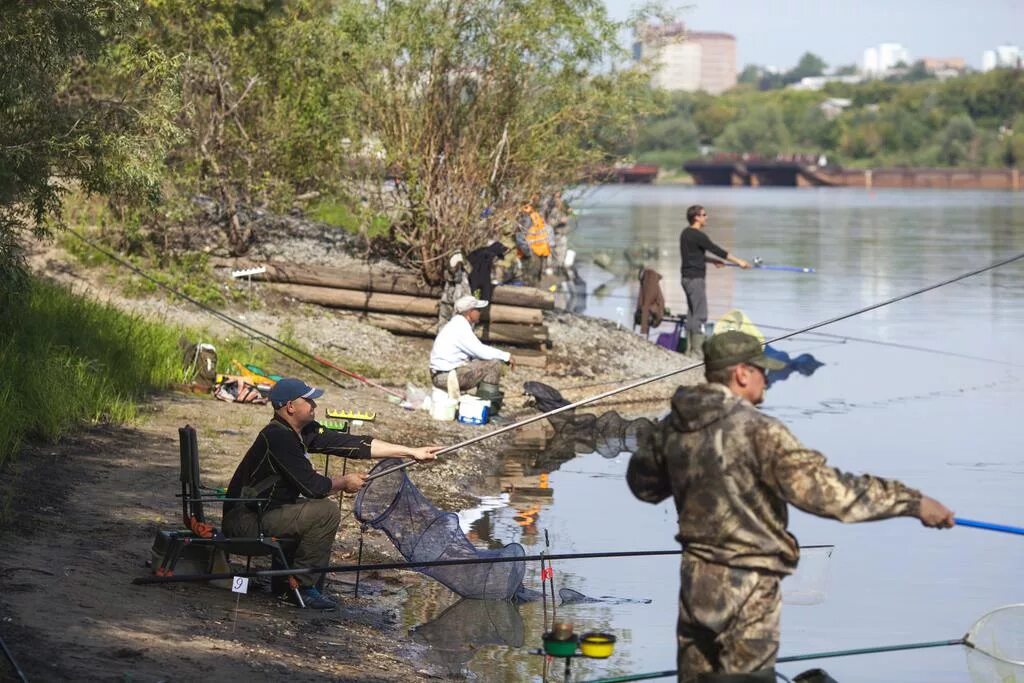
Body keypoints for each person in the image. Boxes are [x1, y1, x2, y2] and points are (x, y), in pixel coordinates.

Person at [626, 331, 955, 682]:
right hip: (748, 587)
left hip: (696, 584)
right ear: (741, 374)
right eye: (761, 370)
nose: (767, 378)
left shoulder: (674, 425)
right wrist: (913, 503)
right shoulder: (758, 430)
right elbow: (827, 494)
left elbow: (643, 486)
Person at [222, 377, 440, 610]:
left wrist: (411, 452)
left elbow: (354, 444)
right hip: (243, 523)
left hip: (263, 514)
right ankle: (302, 588)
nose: (315, 405)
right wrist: (345, 482)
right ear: (290, 407)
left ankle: (286, 584)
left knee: (305, 508)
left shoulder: (300, 431)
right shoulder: (278, 437)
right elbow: (314, 487)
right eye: (309, 401)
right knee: (324, 512)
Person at [679, 205, 751, 359]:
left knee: (692, 314)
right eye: (704, 215)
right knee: (701, 315)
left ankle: (689, 352)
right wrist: (740, 262)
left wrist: (712, 261)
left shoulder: (685, 234)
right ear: (696, 217)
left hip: (686, 279)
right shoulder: (698, 235)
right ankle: (696, 354)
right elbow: (717, 249)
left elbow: (694, 255)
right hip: (695, 279)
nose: (706, 217)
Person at [429, 295, 514, 407]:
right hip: (446, 377)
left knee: (484, 363)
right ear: (469, 312)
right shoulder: (460, 327)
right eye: (478, 310)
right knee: (494, 364)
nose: (480, 312)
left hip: (442, 375)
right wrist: (506, 356)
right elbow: (480, 351)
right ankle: (488, 408)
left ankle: (483, 403)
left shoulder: (457, 324)